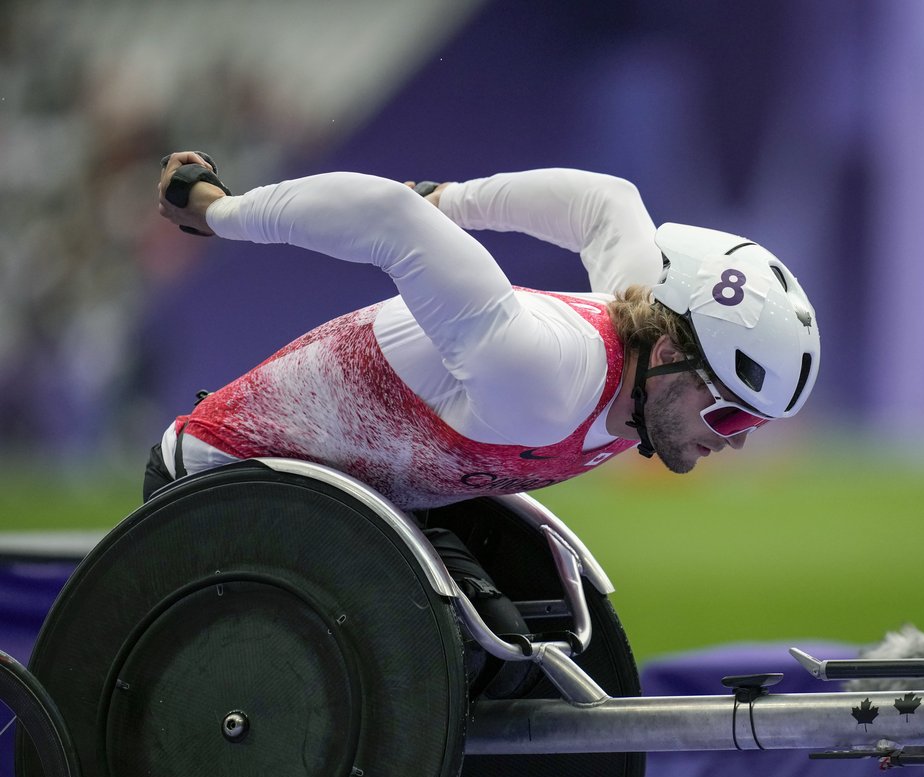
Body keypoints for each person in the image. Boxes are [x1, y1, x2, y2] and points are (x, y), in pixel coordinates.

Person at [148, 151, 820, 695]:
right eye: (730, 410)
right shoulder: (537, 369)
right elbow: (391, 218)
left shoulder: (644, 342)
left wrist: (455, 199)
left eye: (754, 426)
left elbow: (607, 202)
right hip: (217, 489)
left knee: (515, 655)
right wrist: (218, 209)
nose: (733, 440)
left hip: (357, 502)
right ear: (671, 355)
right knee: (451, 668)